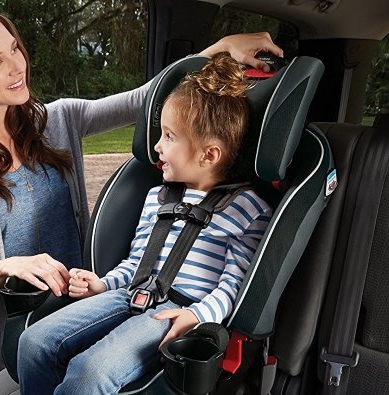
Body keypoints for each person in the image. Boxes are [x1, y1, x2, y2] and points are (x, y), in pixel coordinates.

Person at [0, 2, 284, 383]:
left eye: (14, 49)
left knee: (88, 373)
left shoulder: (57, 120)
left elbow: (144, 97)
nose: (16, 66)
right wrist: (10, 266)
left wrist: (218, 48)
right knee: (24, 365)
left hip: (83, 293)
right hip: (17, 314)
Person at [16, 53, 274, 394]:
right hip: (128, 294)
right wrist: (103, 285)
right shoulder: (158, 197)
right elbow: (136, 264)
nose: (156, 146)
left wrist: (198, 317)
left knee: (90, 371)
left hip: (178, 310)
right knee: (33, 342)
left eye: (169, 137)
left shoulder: (247, 208)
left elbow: (234, 284)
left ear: (208, 155)